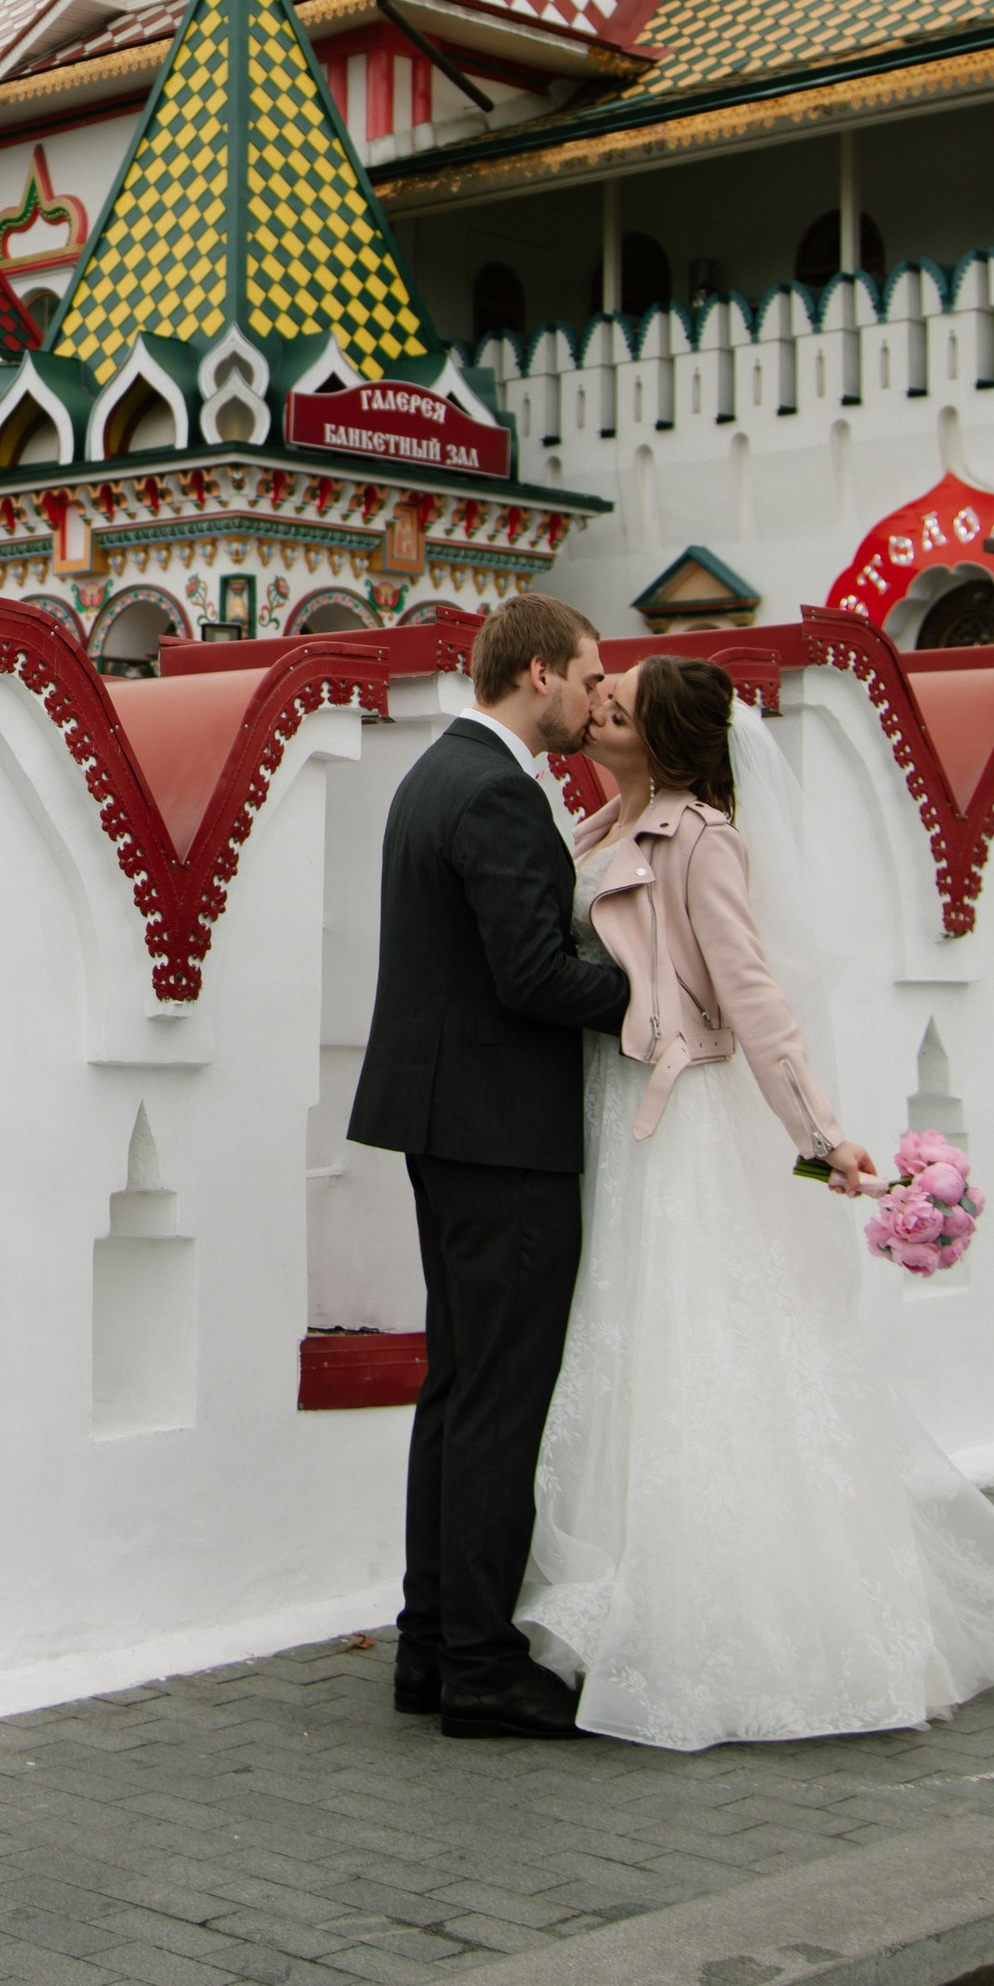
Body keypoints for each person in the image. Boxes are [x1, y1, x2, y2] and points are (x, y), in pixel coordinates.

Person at [521, 654, 994, 1750]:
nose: (597, 707)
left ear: (664, 739)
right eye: (600, 696)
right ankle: (626, 1596)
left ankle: (734, 1626)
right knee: (628, 1345)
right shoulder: (590, 829)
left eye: (617, 706)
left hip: (691, 1123)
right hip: (614, 1119)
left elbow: (756, 997)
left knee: (697, 1344)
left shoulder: (699, 838)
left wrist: (820, 1141)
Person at [348, 594, 634, 1740]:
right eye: (586, 674)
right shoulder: (502, 793)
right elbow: (533, 980)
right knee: (500, 1399)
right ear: (536, 676)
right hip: (502, 1135)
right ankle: (477, 1660)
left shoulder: (435, 775)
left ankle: (430, 1644)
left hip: (444, 1124)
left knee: (459, 1390)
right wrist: (655, 993)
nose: (592, 695)